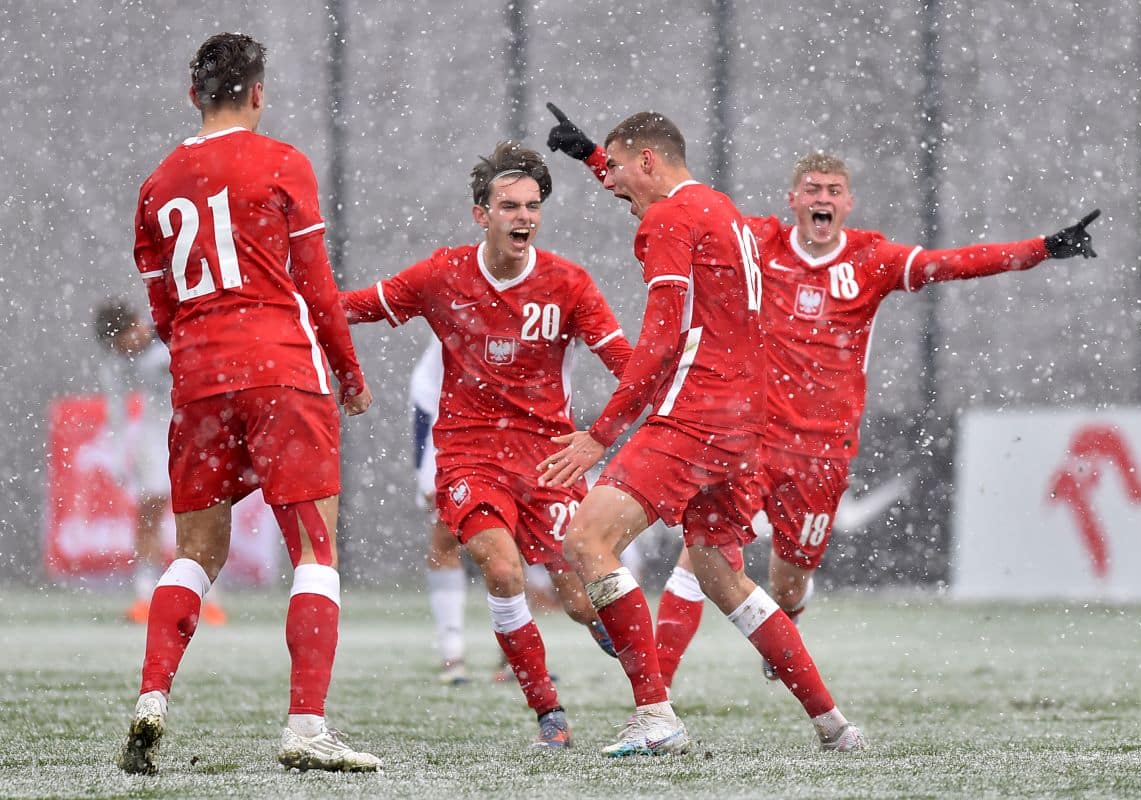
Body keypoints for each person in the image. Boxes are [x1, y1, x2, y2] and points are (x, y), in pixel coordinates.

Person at [546, 105, 1101, 686]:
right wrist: (595, 158)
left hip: (822, 453)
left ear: (847, 203)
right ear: (792, 199)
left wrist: (1043, 247)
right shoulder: (758, 239)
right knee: (701, 555)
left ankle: (780, 630)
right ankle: (658, 691)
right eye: (812, 188)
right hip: (752, 434)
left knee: (787, 584)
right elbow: (665, 201)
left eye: (834, 190)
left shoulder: (871, 259)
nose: (823, 198)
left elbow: (952, 264)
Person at [538, 111, 863, 757]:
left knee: (587, 539)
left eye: (621, 171)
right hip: (747, 419)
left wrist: (602, 433)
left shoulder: (667, 220)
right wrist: (593, 157)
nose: (614, 188)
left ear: (650, 163)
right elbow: (649, 188)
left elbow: (661, 333)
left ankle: (656, 715)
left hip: (696, 414)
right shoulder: (718, 207)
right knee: (719, 572)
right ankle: (834, 725)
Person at [119, 32, 379, 775]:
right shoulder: (283, 162)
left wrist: (197, 351)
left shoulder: (159, 182)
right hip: (281, 369)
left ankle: (152, 697)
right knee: (316, 550)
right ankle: (305, 726)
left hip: (199, 379)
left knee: (197, 551)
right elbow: (318, 285)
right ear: (258, 93)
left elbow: (162, 307)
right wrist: (349, 371)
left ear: (191, 94)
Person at [340, 141, 631, 749]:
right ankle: (548, 712)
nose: (523, 216)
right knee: (502, 571)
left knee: (580, 600)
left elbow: (629, 365)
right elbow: (355, 307)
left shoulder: (570, 285)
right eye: (509, 206)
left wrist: (609, 428)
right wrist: (284, 301)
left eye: (532, 206)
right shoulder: (441, 275)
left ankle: (639, 677)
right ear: (482, 214)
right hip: (471, 454)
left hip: (549, 458)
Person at [94, 300, 228, 627]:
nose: (123, 349)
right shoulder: (116, 363)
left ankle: (209, 598)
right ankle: (144, 595)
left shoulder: (170, 332)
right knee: (150, 507)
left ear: (136, 326)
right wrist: (116, 454)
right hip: (156, 428)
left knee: (202, 512)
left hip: (196, 426)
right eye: (116, 346)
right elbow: (116, 411)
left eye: (123, 340)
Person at [409, 334, 473, 686]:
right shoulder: (462, 292)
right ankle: (452, 652)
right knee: (446, 530)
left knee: (515, 533)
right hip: (444, 411)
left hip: (505, 418)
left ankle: (516, 657)